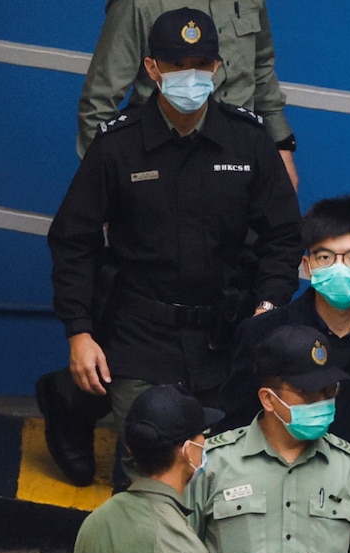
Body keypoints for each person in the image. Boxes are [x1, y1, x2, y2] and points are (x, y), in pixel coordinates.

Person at [47, 8, 302, 483]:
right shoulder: (117, 147)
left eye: (203, 64)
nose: (191, 76)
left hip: (225, 337)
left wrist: (269, 305)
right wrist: (79, 331)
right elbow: (73, 241)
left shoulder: (247, 143)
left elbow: (284, 235)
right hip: (140, 337)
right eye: (177, 64)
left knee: (222, 478)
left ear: (217, 68)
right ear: (152, 69)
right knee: (148, 476)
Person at [218, 194, 350, 484]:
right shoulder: (262, 335)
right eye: (325, 257)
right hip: (271, 499)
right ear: (308, 267)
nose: (339, 267)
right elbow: (233, 430)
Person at [188, 324, 350, 553]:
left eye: (330, 390)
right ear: (268, 399)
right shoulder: (213, 464)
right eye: (309, 393)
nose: (323, 402)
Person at [76, 0, 299, 190]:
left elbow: (261, 68)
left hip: (240, 157)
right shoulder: (138, 3)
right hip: (161, 158)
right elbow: (99, 101)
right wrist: (102, 186)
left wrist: (282, 145)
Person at [69, 384, 224, 553]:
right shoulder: (183, 552)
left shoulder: (96, 522)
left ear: (131, 449)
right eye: (202, 434)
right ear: (189, 451)